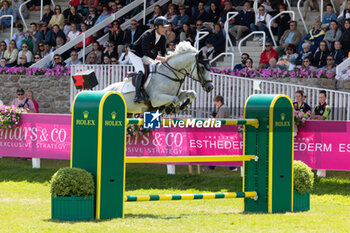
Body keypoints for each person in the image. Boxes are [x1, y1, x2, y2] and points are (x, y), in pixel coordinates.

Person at [129, 16, 168, 103]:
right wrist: (159, 58)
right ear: (156, 26)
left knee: (155, 68)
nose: (164, 29)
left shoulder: (163, 37)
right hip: (135, 54)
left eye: (165, 27)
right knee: (141, 71)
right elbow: (145, 50)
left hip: (145, 55)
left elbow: (163, 52)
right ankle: (137, 95)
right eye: (162, 27)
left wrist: (167, 59)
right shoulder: (148, 34)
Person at [204, 95, 237, 172]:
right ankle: (232, 166)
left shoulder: (222, 108)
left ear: (219, 101)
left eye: (216, 103)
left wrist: (213, 117)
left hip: (223, 131)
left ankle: (231, 166)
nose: (216, 105)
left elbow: (220, 120)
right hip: (225, 130)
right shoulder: (223, 107)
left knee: (219, 149)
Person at [311, 90, 331, 177]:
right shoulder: (316, 107)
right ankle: (318, 170)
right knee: (317, 150)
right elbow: (311, 116)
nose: (320, 99)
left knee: (322, 150)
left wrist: (316, 117)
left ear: (325, 98)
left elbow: (323, 117)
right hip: (316, 130)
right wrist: (316, 117)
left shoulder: (327, 107)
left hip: (324, 130)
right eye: (319, 97)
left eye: (322, 97)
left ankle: (323, 172)